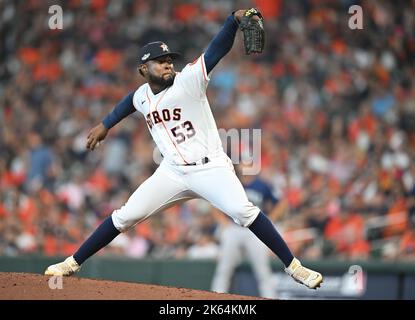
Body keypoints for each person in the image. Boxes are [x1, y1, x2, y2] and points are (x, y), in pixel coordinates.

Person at [44, 8, 323, 290]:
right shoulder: (142, 95)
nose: (167, 65)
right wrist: (106, 124)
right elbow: (130, 101)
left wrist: (233, 21)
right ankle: (72, 263)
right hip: (173, 171)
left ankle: (294, 267)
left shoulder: (188, 80)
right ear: (143, 69)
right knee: (125, 216)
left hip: (210, 167)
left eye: (169, 61)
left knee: (244, 211)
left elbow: (216, 51)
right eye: (160, 62)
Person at [211, 164, 288, 298]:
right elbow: (214, 203)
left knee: (262, 270)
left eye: (249, 163)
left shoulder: (263, 185)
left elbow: (282, 203)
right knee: (224, 268)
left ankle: (270, 297)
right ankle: (216, 298)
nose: (246, 167)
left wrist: (271, 219)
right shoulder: (232, 182)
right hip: (234, 228)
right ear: (239, 166)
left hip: (255, 230)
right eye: (244, 163)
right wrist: (223, 222)